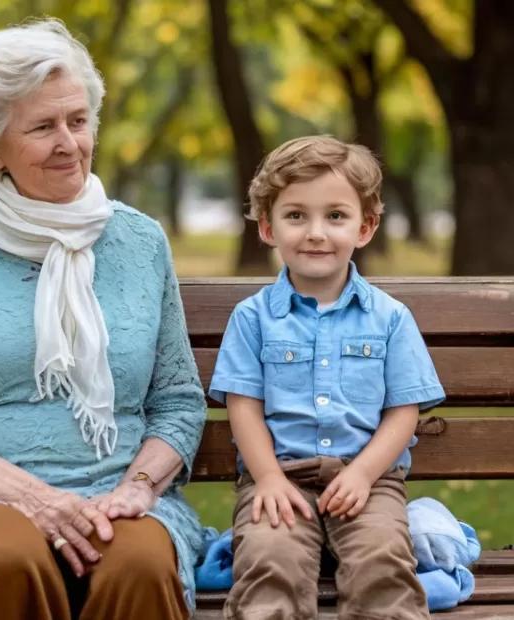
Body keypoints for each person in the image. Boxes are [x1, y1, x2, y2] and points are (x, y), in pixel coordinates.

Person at [0, 19, 206, 620]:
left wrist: (137, 490)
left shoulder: (140, 241)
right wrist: (36, 499)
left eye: (78, 121)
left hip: (121, 498)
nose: (69, 143)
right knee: (8, 556)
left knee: (138, 564)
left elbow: (177, 400)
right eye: (43, 127)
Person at [208, 135, 446, 620]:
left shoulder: (390, 317)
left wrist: (362, 473)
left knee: (382, 559)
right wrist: (269, 478)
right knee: (269, 560)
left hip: (369, 480)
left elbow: (403, 412)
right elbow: (244, 408)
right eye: (296, 216)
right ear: (268, 227)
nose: (316, 233)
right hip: (280, 478)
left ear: (366, 226)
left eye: (335, 216)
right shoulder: (253, 319)